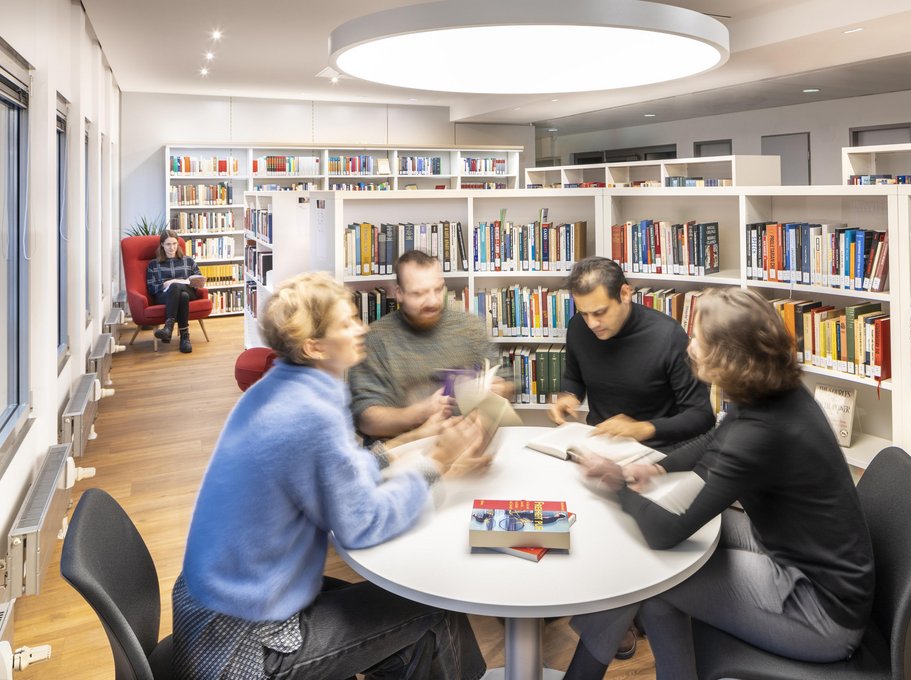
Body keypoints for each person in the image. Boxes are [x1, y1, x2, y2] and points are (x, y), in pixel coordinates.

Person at [172, 272, 489, 680]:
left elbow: (335, 471)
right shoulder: (311, 413)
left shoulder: (280, 389)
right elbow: (362, 524)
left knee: (409, 626)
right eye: (347, 323)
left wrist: (411, 439)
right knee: (436, 605)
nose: (362, 329)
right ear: (314, 346)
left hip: (222, 607)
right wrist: (438, 462)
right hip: (246, 646)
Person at [563, 287, 875, 679]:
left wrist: (616, 483)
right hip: (803, 559)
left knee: (652, 578)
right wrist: (657, 467)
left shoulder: (760, 435)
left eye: (697, 339)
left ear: (726, 357)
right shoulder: (775, 390)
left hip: (818, 611)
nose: (689, 346)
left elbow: (665, 530)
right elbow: (716, 438)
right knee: (658, 569)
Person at [549, 256, 714, 449]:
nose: (592, 323)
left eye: (600, 312)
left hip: (656, 449)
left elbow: (701, 415)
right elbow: (574, 377)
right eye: (584, 313)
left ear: (625, 294)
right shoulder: (578, 327)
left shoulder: (668, 335)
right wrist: (569, 396)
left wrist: (643, 428)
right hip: (599, 444)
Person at [350, 249, 511, 440]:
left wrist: (500, 389)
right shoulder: (375, 339)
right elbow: (366, 420)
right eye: (419, 293)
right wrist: (421, 412)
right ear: (399, 294)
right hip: (403, 451)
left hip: (466, 444)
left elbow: (505, 381)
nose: (433, 301)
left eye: (438, 289)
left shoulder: (470, 327)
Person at [146, 228, 203, 353]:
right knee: (182, 296)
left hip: (189, 291)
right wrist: (164, 285)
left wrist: (178, 282)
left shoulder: (188, 260)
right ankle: (185, 337)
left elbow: (199, 281)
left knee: (176, 286)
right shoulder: (153, 264)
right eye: (168, 244)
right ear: (162, 245)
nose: (172, 248)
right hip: (164, 296)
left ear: (178, 243)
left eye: (174, 244)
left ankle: (168, 328)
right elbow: (151, 288)